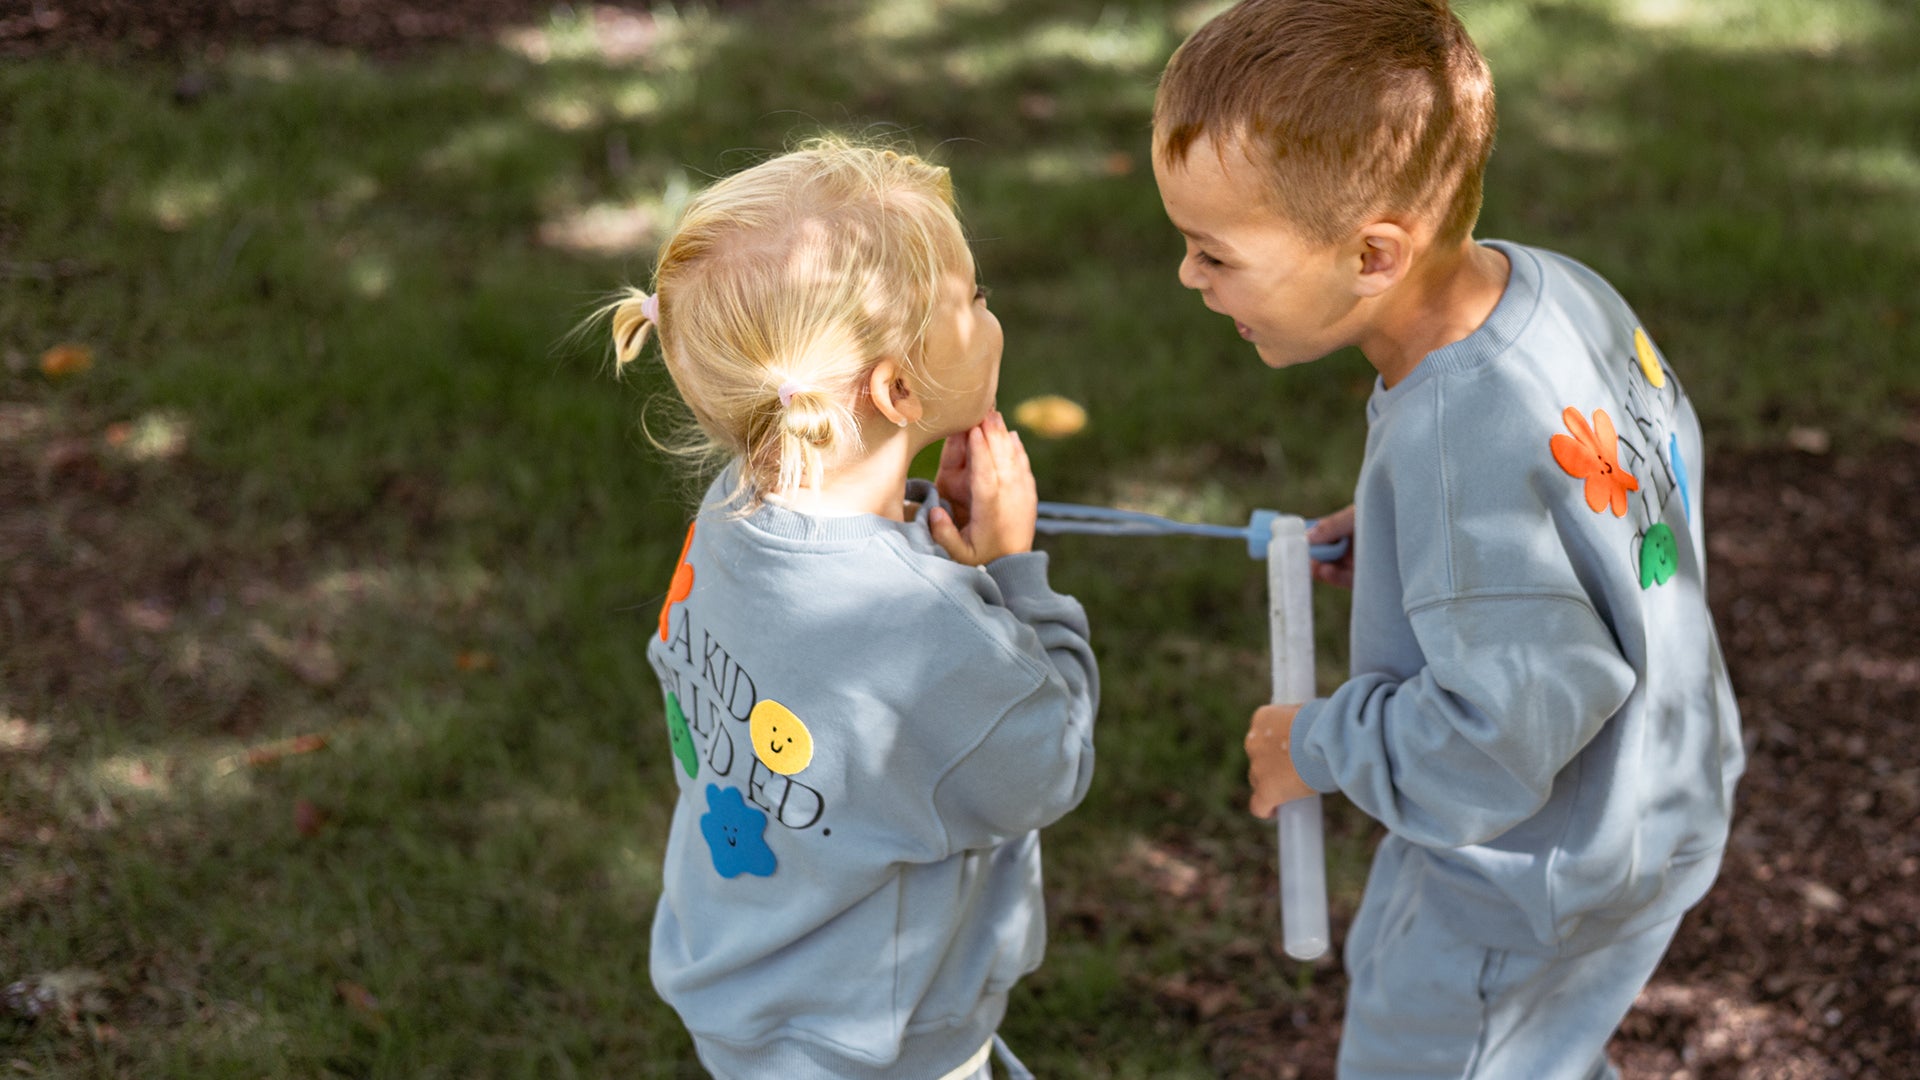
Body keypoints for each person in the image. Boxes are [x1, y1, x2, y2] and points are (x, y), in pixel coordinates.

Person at [1149, 2, 1744, 1076]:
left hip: (1530, 874)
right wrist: (1399, 536)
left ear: (1373, 254)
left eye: (1212, 253)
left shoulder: (1451, 439)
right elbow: (1635, 491)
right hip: (1663, 781)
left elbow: (1495, 742)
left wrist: (1315, 745)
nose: (1189, 279)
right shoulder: (1553, 288)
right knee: (1538, 1050)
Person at [608, 137, 1096, 1080]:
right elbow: (1052, 763)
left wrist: (929, 534)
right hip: (883, 1041)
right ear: (897, 389)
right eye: (976, 298)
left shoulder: (731, 513)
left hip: (744, 981)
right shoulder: (923, 631)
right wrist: (1013, 573)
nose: (993, 314)